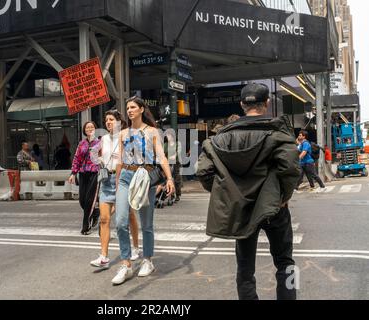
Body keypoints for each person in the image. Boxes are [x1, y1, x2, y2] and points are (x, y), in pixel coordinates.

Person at [197, 83, 301, 300]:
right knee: (286, 262)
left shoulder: (219, 138)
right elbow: (290, 168)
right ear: (268, 103)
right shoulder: (277, 133)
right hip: (274, 207)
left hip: (241, 209)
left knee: (244, 269)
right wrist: (284, 196)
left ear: (242, 104)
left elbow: (204, 172)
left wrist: (227, 193)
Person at [111, 96, 175, 285]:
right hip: (125, 178)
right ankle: (126, 264)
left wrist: (169, 178)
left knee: (146, 223)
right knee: (121, 221)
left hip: (145, 178)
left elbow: (162, 157)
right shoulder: (122, 134)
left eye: (132, 107)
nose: (129, 110)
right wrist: (116, 186)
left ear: (141, 109)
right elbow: (120, 162)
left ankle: (147, 260)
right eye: (127, 107)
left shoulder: (152, 131)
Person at [89, 110, 141, 269]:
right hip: (106, 180)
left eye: (111, 119)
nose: (108, 122)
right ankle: (103, 257)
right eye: (106, 120)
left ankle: (135, 247)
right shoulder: (103, 139)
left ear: (119, 121)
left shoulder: (126, 136)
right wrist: (98, 160)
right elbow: (93, 154)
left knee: (127, 217)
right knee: (104, 219)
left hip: (123, 179)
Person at [69, 122, 101, 235]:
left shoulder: (100, 142)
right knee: (82, 200)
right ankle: (96, 212)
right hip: (83, 173)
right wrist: (73, 173)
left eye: (92, 127)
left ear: (95, 129)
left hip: (94, 173)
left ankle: (85, 226)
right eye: (88, 127)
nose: (90, 128)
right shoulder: (81, 143)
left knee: (89, 200)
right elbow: (77, 159)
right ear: (84, 130)